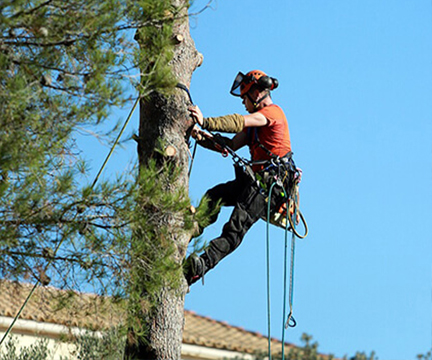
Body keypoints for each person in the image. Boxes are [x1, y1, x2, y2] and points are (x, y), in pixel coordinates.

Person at [184, 70, 296, 285]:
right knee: (215, 195)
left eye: (245, 97)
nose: (243, 102)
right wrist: (203, 137)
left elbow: (238, 122)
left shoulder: (272, 114)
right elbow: (231, 144)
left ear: (256, 94)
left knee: (235, 227)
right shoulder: (254, 128)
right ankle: (193, 226)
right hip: (256, 182)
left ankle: (201, 266)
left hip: (269, 187)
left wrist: (206, 121)